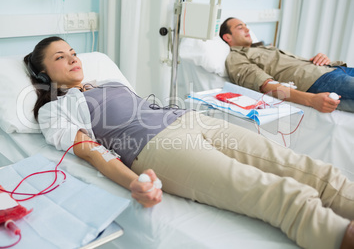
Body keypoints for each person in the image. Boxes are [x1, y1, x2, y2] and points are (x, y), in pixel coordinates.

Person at [24, 36, 354, 249]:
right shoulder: (55, 110)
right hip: (157, 148)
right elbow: (94, 154)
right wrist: (136, 182)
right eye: (59, 58)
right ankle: (336, 235)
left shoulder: (107, 81)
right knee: (271, 191)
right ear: (43, 74)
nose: (72, 59)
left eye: (72, 52)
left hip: (191, 120)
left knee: (306, 168)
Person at [220, 17, 354, 113]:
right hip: (319, 80)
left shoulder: (263, 48)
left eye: (245, 25)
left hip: (333, 68)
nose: (247, 29)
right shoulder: (236, 58)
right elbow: (267, 86)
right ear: (227, 37)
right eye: (240, 27)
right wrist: (311, 100)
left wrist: (321, 59)